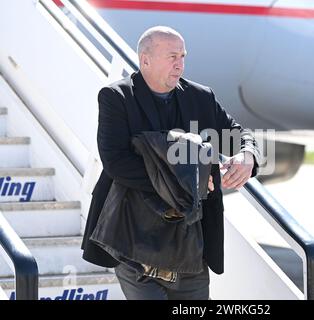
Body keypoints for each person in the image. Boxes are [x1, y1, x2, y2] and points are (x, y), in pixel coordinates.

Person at [81, 26, 260, 300]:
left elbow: (239, 135)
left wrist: (249, 156)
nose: (181, 64)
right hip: (132, 239)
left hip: (191, 247)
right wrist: (192, 182)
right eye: (172, 56)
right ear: (145, 60)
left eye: (183, 56)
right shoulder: (116, 97)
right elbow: (116, 162)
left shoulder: (201, 97)